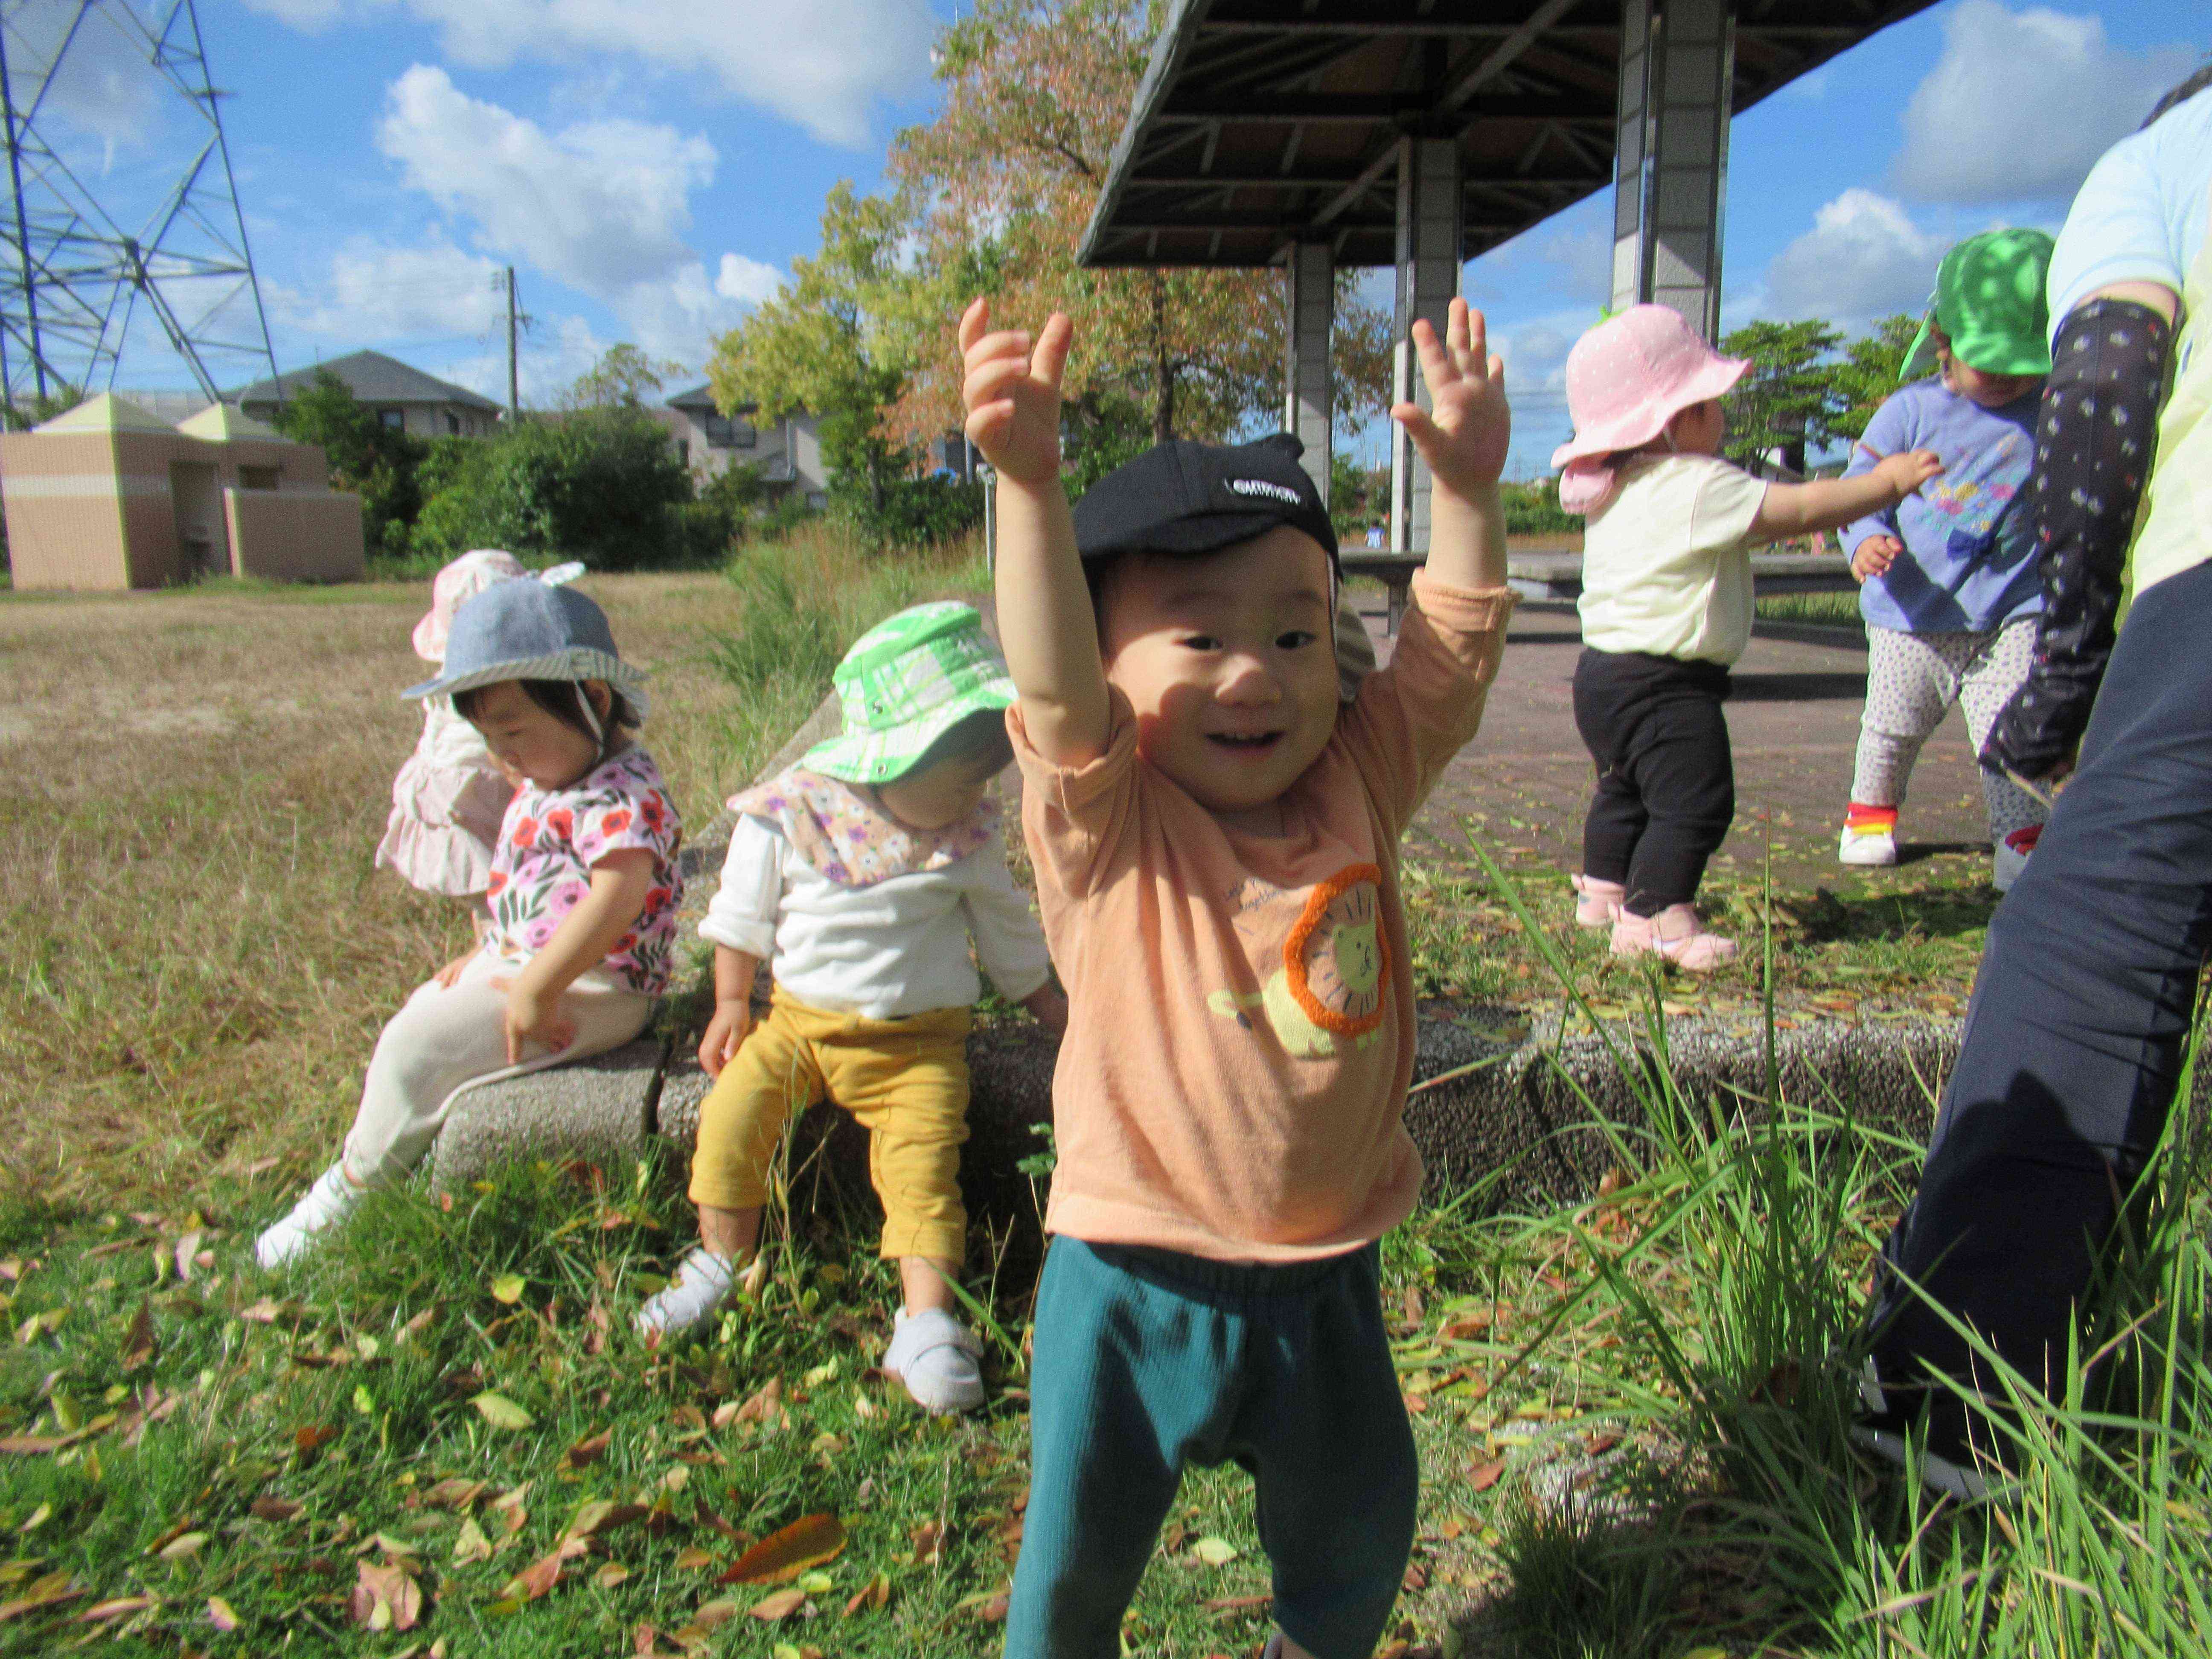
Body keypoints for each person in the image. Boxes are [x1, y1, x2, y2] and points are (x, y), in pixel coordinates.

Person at [961, 289, 1512, 1659]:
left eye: (1294, 632)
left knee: (1360, 1530)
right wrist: (1028, 491)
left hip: (1325, 1270)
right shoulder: (1110, 816)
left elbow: (1450, 656)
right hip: (1134, 1279)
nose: (1254, 676)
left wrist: (1471, 494)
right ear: (1107, 663)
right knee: (1078, 1562)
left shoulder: (1360, 781)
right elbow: (1046, 680)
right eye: (1197, 637)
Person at [1862, 67, 2212, 1500]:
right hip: (1917, 630)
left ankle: (1945, 1397)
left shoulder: (2164, 150)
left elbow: (2113, 383)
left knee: (2094, 927)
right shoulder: (1908, 406)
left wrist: (2065, 676)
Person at [636, 602, 1068, 1415]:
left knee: (923, 1167)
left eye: (982, 777)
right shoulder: (791, 816)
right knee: (731, 1118)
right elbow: (739, 913)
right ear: (887, 756)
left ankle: (928, 1318)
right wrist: (732, 1000)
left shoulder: (965, 835)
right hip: (797, 1028)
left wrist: (1048, 1004)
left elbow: (1007, 930)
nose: (971, 796)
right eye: (955, 778)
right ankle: (718, 1263)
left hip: (918, 1051)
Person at [256, 580, 682, 1268]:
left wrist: (538, 986)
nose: (502, 756)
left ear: (594, 700)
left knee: (414, 1047)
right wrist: (491, 947)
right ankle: (384, 1146)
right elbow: (538, 887)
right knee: (425, 1009)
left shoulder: (622, 793)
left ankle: (350, 1190)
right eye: (487, 738)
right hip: (537, 962)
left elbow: (617, 896)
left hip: (599, 984)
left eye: (514, 732)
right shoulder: (554, 777)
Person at [1554, 305, 1942, 969]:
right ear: (1677, 422)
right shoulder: (1698, 483)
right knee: (1694, 801)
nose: (1724, 417)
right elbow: (1799, 509)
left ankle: (1603, 894)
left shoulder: (1611, 486)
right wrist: (1885, 483)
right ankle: (1655, 917)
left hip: (1602, 679)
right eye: (1713, 404)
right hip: (1666, 683)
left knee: (1625, 790)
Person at [1836, 230, 2054, 891]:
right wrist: (1862, 540)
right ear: (1943, 343)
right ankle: (1870, 815)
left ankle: (2020, 835)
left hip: (2013, 611)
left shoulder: (2051, 413)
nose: (2008, 379)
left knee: (2013, 731)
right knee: (1893, 726)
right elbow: (1854, 491)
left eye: (2023, 361)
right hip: (1911, 613)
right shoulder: (1910, 412)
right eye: (1990, 363)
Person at [374, 550, 530, 932]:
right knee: (498, 884)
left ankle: (495, 945)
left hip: (453, 788)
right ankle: (495, 949)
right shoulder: (516, 683)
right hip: (475, 794)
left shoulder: (455, 684)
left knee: (492, 889)